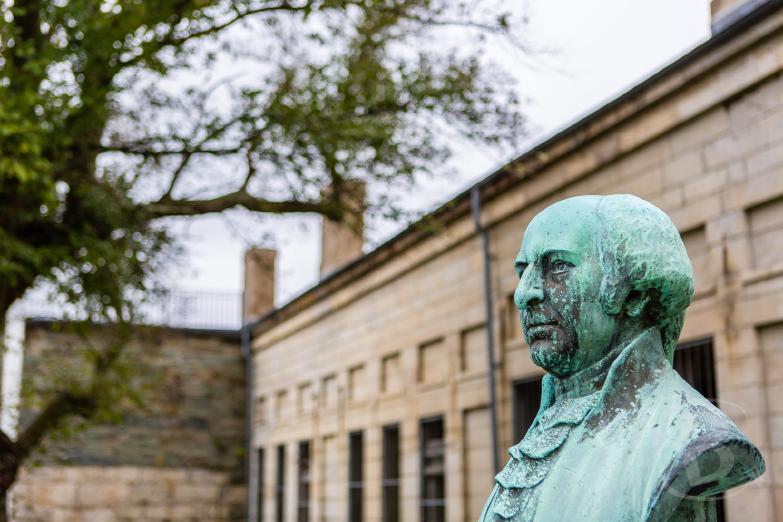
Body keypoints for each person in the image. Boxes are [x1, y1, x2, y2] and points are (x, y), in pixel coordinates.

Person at [479, 194, 765, 522]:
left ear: (635, 294)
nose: (523, 293)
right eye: (522, 271)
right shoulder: (553, 416)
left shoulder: (687, 436)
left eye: (558, 265)